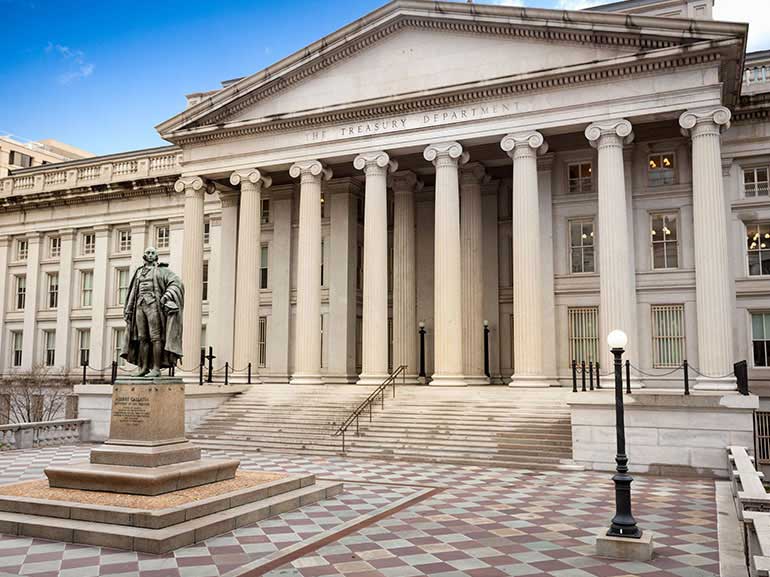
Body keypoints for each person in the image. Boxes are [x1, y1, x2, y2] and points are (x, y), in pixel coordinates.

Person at [121, 247, 184, 377]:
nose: (150, 255)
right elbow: (134, 291)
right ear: (144, 255)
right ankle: (143, 367)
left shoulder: (162, 270)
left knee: (155, 338)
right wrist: (128, 308)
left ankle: (156, 368)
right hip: (139, 306)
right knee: (142, 338)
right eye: (147, 253)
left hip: (154, 306)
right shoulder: (138, 272)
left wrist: (166, 296)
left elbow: (177, 283)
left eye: (152, 253)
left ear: (156, 256)